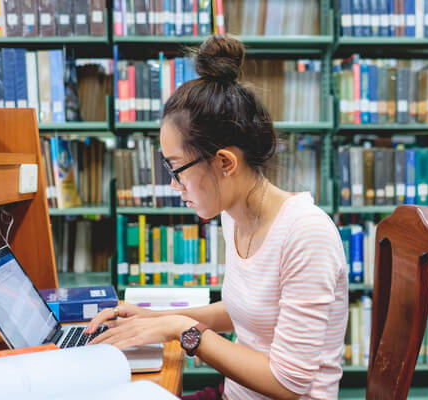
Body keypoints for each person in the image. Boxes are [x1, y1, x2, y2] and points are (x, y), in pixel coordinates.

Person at [85, 34, 348, 400]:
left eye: (178, 169)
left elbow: (288, 385)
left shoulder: (307, 234)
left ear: (225, 162)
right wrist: (152, 318)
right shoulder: (234, 215)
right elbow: (249, 310)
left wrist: (183, 331)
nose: (176, 185)